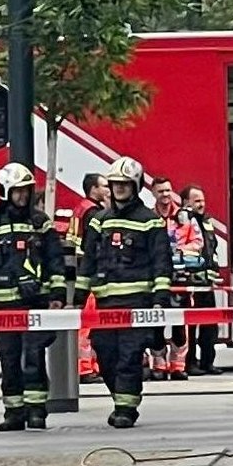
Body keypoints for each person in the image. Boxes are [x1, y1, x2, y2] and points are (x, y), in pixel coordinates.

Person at [0, 162, 65, 430]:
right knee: (8, 358)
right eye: (17, 191)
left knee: (34, 355)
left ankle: (37, 410)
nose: (23, 196)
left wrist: (57, 293)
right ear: (4, 191)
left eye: (26, 190)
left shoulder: (40, 223)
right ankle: (13, 412)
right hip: (2, 306)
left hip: (36, 303)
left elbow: (54, 259)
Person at [80, 159, 168, 428]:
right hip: (106, 304)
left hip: (136, 302)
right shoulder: (98, 222)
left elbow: (161, 262)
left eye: (124, 184)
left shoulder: (150, 222)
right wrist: (77, 299)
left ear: (135, 186)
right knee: (105, 355)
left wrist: (159, 299)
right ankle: (120, 397)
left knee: (129, 357)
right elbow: (88, 261)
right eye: (115, 184)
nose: (119, 189)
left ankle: (126, 409)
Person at [174, 189, 229, 374]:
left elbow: (210, 248)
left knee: (209, 324)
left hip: (206, 280)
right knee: (190, 325)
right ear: (185, 201)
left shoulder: (206, 221)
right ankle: (189, 363)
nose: (201, 204)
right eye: (197, 200)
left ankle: (208, 361)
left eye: (203, 200)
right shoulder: (184, 220)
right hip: (190, 280)